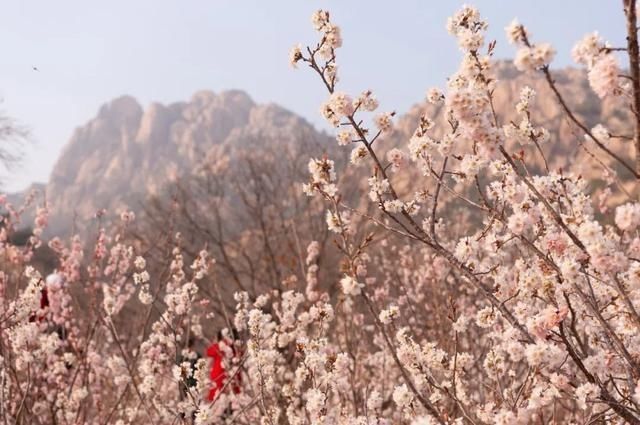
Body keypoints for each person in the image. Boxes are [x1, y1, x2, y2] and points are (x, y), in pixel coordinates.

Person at [206, 328, 242, 402]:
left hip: (219, 375)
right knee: (234, 400)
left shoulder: (221, 345)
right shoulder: (236, 346)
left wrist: (216, 343)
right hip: (233, 375)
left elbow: (209, 351)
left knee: (218, 400)